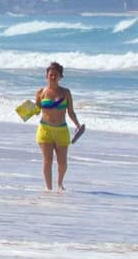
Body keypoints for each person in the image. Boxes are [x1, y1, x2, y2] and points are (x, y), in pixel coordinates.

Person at [34, 62, 82, 191]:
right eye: (51, 75)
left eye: (56, 75)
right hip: (45, 129)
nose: (53, 77)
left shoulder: (65, 93)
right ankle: (48, 188)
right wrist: (26, 110)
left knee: (62, 163)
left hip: (61, 130)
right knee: (47, 161)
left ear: (61, 76)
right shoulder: (41, 92)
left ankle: (60, 184)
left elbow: (70, 112)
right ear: (46, 75)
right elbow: (37, 110)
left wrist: (77, 124)